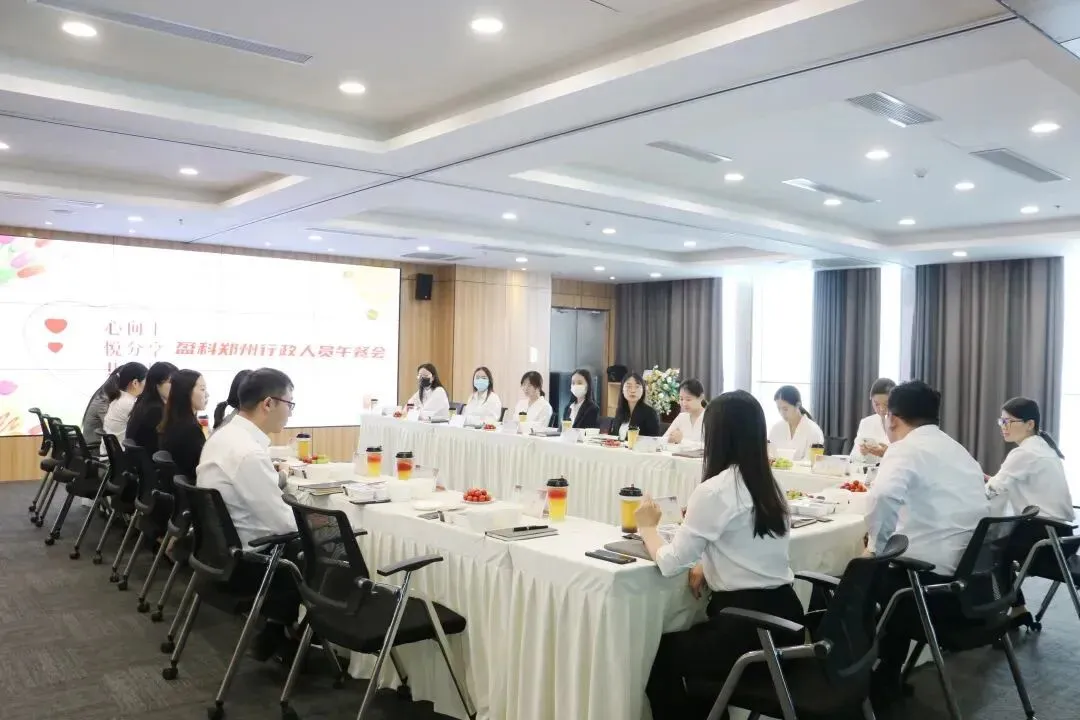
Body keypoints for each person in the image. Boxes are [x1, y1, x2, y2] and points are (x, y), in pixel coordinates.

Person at [634, 390, 802, 720]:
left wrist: (647, 529)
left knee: (659, 658)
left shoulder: (716, 490)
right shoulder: (771, 485)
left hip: (746, 630)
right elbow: (742, 547)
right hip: (787, 620)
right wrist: (705, 564)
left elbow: (670, 562)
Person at [865, 380, 989, 700]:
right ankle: (886, 676)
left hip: (932, 592)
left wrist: (874, 549)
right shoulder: (958, 450)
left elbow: (883, 496)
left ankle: (850, 680)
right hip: (974, 588)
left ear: (892, 418)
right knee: (890, 569)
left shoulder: (905, 449)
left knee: (853, 580)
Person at [197, 367, 299, 661]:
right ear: (268, 403)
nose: (290, 413)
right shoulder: (248, 452)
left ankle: (278, 630)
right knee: (324, 550)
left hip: (217, 553)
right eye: (289, 404)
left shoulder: (222, 436)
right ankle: (299, 636)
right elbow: (284, 523)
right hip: (248, 562)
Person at [986, 397, 1075, 619]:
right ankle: (1018, 609)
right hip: (1063, 537)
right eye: (1001, 421)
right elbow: (1004, 483)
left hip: (1043, 538)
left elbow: (993, 490)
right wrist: (990, 481)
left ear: (1030, 424)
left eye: (1009, 421)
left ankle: (999, 613)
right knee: (998, 546)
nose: (1003, 427)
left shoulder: (1025, 453)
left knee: (988, 551)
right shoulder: (1043, 448)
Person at [159, 369, 209, 481]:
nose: (207, 394)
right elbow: (202, 467)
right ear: (187, 392)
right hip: (194, 485)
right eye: (202, 389)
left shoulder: (173, 420)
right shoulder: (190, 429)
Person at [81, 363, 140, 451]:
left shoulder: (103, 395)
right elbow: (113, 428)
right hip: (95, 449)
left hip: (100, 447)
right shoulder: (104, 400)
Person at [126, 361, 178, 453]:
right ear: (157, 384)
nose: (176, 387)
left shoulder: (144, 403)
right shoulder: (155, 411)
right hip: (150, 459)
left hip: (140, 459)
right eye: (171, 382)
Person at [99, 362, 148, 454]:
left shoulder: (118, 399)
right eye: (146, 381)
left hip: (110, 456)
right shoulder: (129, 404)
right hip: (121, 457)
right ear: (135, 383)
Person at [767, 385, 823, 461]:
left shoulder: (813, 430)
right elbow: (769, 455)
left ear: (798, 405)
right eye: (779, 408)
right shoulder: (776, 428)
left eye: (785, 409)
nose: (781, 413)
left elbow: (812, 461)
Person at [612, 372, 662, 439]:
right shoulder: (620, 411)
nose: (633, 390)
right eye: (628, 386)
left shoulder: (650, 413)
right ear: (622, 390)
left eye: (637, 387)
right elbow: (614, 436)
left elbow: (654, 440)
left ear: (643, 390)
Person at [856, 378, 895, 459]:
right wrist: (861, 452)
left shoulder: (905, 424)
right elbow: (853, 456)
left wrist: (889, 453)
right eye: (877, 404)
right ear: (871, 400)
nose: (882, 409)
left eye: (886, 404)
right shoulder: (866, 422)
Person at [663, 379, 706, 446]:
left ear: (701, 397)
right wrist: (670, 439)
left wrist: (681, 440)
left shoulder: (709, 417)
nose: (684, 403)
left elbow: (711, 446)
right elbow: (663, 439)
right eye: (681, 399)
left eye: (688, 399)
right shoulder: (681, 417)